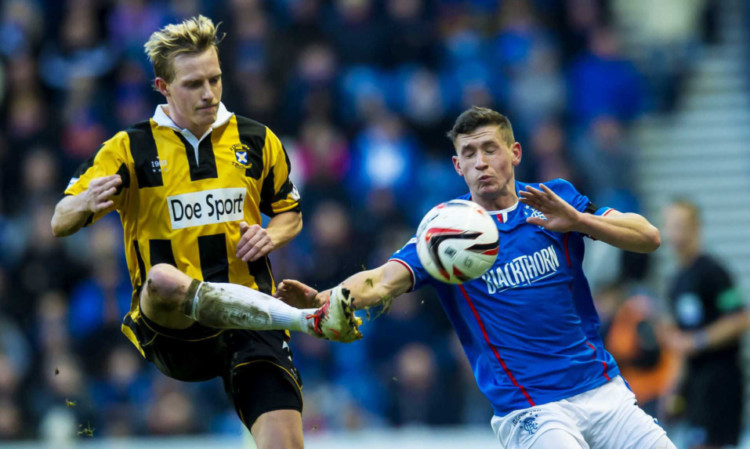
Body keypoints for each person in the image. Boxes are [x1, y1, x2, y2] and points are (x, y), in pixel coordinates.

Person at [278, 106, 676, 449]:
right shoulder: (446, 232)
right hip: (531, 409)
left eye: (490, 149)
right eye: (469, 153)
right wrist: (325, 297)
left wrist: (577, 220)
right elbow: (381, 281)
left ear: (515, 153)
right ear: (457, 165)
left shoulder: (554, 199)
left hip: (603, 389)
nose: (481, 162)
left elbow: (649, 237)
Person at [50, 16, 359, 449]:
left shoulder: (257, 140)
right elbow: (59, 221)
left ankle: (294, 322)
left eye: (215, 79)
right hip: (177, 328)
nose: (209, 93)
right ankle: (307, 320)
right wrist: (83, 203)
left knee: (285, 445)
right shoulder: (128, 148)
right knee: (160, 279)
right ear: (163, 87)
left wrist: (272, 235)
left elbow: (291, 214)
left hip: (252, 319)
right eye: (194, 84)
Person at [662, 199, 748, 449]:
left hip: (721, 380)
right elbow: (678, 342)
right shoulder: (676, 281)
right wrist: (672, 388)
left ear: (696, 227)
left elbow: (741, 318)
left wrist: (698, 341)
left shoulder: (715, 272)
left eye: (680, 225)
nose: (674, 233)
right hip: (695, 385)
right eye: (670, 225)